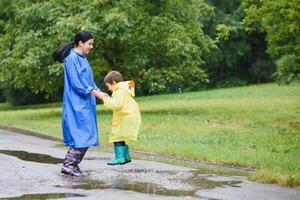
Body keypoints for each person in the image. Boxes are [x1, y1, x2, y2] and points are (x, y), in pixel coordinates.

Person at [53, 30, 104, 176]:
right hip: (76, 104)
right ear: (80, 43)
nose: (91, 47)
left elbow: (89, 81)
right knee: (80, 135)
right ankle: (68, 165)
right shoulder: (71, 59)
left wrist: (99, 91)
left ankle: (73, 165)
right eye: (89, 44)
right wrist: (93, 92)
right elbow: (76, 83)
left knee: (88, 135)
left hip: (86, 102)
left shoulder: (83, 58)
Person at [95, 71, 141, 165]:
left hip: (125, 117)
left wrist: (106, 99)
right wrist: (110, 98)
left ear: (114, 82)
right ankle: (126, 156)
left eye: (108, 86)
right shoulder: (124, 91)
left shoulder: (119, 92)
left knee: (116, 137)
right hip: (130, 116)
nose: (109, 89)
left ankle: (120, 158)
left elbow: (117, 105)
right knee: (121, 136)